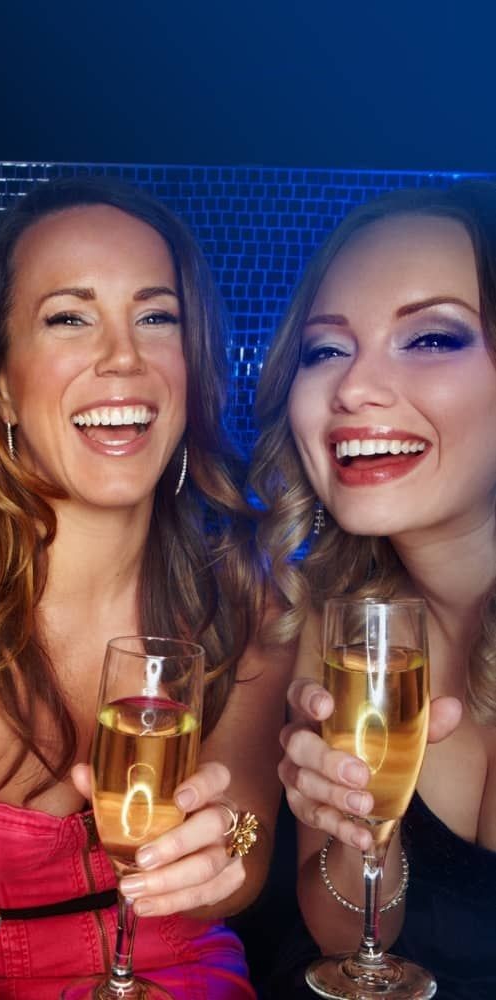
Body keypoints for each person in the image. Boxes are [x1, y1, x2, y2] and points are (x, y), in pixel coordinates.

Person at [0, 176, 294, 998]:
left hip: (175, 973)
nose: (122, 358)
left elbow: (242, 866)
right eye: (68, 317)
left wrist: (224, 850)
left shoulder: (248, 603)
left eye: (157, 317)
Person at [251, 181, 496, 998]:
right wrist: (359, 844)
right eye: (324, 349)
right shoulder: (333, 623)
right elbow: (348, 939)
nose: (354, 387)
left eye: (430, 338)